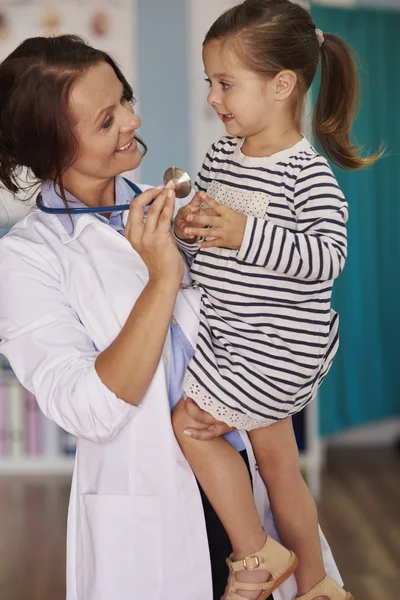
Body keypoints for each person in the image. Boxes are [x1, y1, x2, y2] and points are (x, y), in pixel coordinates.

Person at [172, 2, 381, 600]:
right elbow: (213, 246)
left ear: (283, 84)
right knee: (279, 468)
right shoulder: (218, 157)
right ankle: (316, 585)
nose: (214, 97)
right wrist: (190, 233)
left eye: (226, 83)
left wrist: (242, 231)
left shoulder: (306, 174)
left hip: (277, 343)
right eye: (209, 82)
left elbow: (325, 259)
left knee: (191, 425)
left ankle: (256, 555)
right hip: (234, 334)